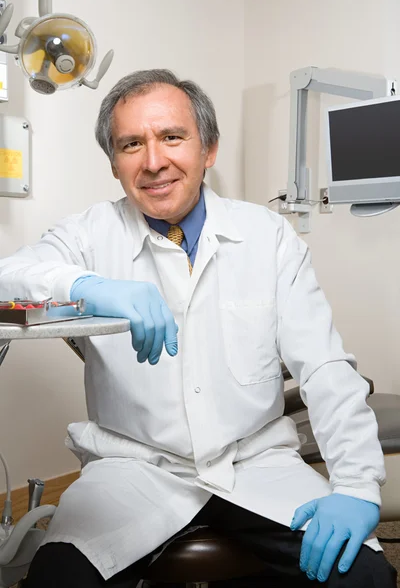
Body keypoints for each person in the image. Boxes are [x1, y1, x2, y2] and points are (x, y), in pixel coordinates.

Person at [0, 69, 396, 587]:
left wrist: (357, 485)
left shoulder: (266, 236)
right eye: (131, 144)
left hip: (255, 464)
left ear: (208, 149)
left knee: (363, 577)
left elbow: (322, 367)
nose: (153, 161)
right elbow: (9, 273)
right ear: (115, 164)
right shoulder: (90, 234)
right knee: (58, 579)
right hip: (134, 471)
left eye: (171, 137)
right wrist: (89, 284)